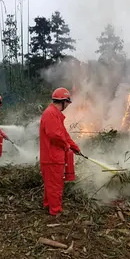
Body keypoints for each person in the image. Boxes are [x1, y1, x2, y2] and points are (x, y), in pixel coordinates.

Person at [39, 87, 81, 216]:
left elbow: (63, 134)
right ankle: (55, 210)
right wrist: (66, 145)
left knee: (50, 185)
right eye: (67, 103)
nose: (67, 106)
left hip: (52, 156)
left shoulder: (55, 114)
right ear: (63, 101)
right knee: (55, 185)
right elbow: (55, 135)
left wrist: (74, 147)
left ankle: (48, 205)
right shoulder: (50, 114)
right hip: (52, 157)